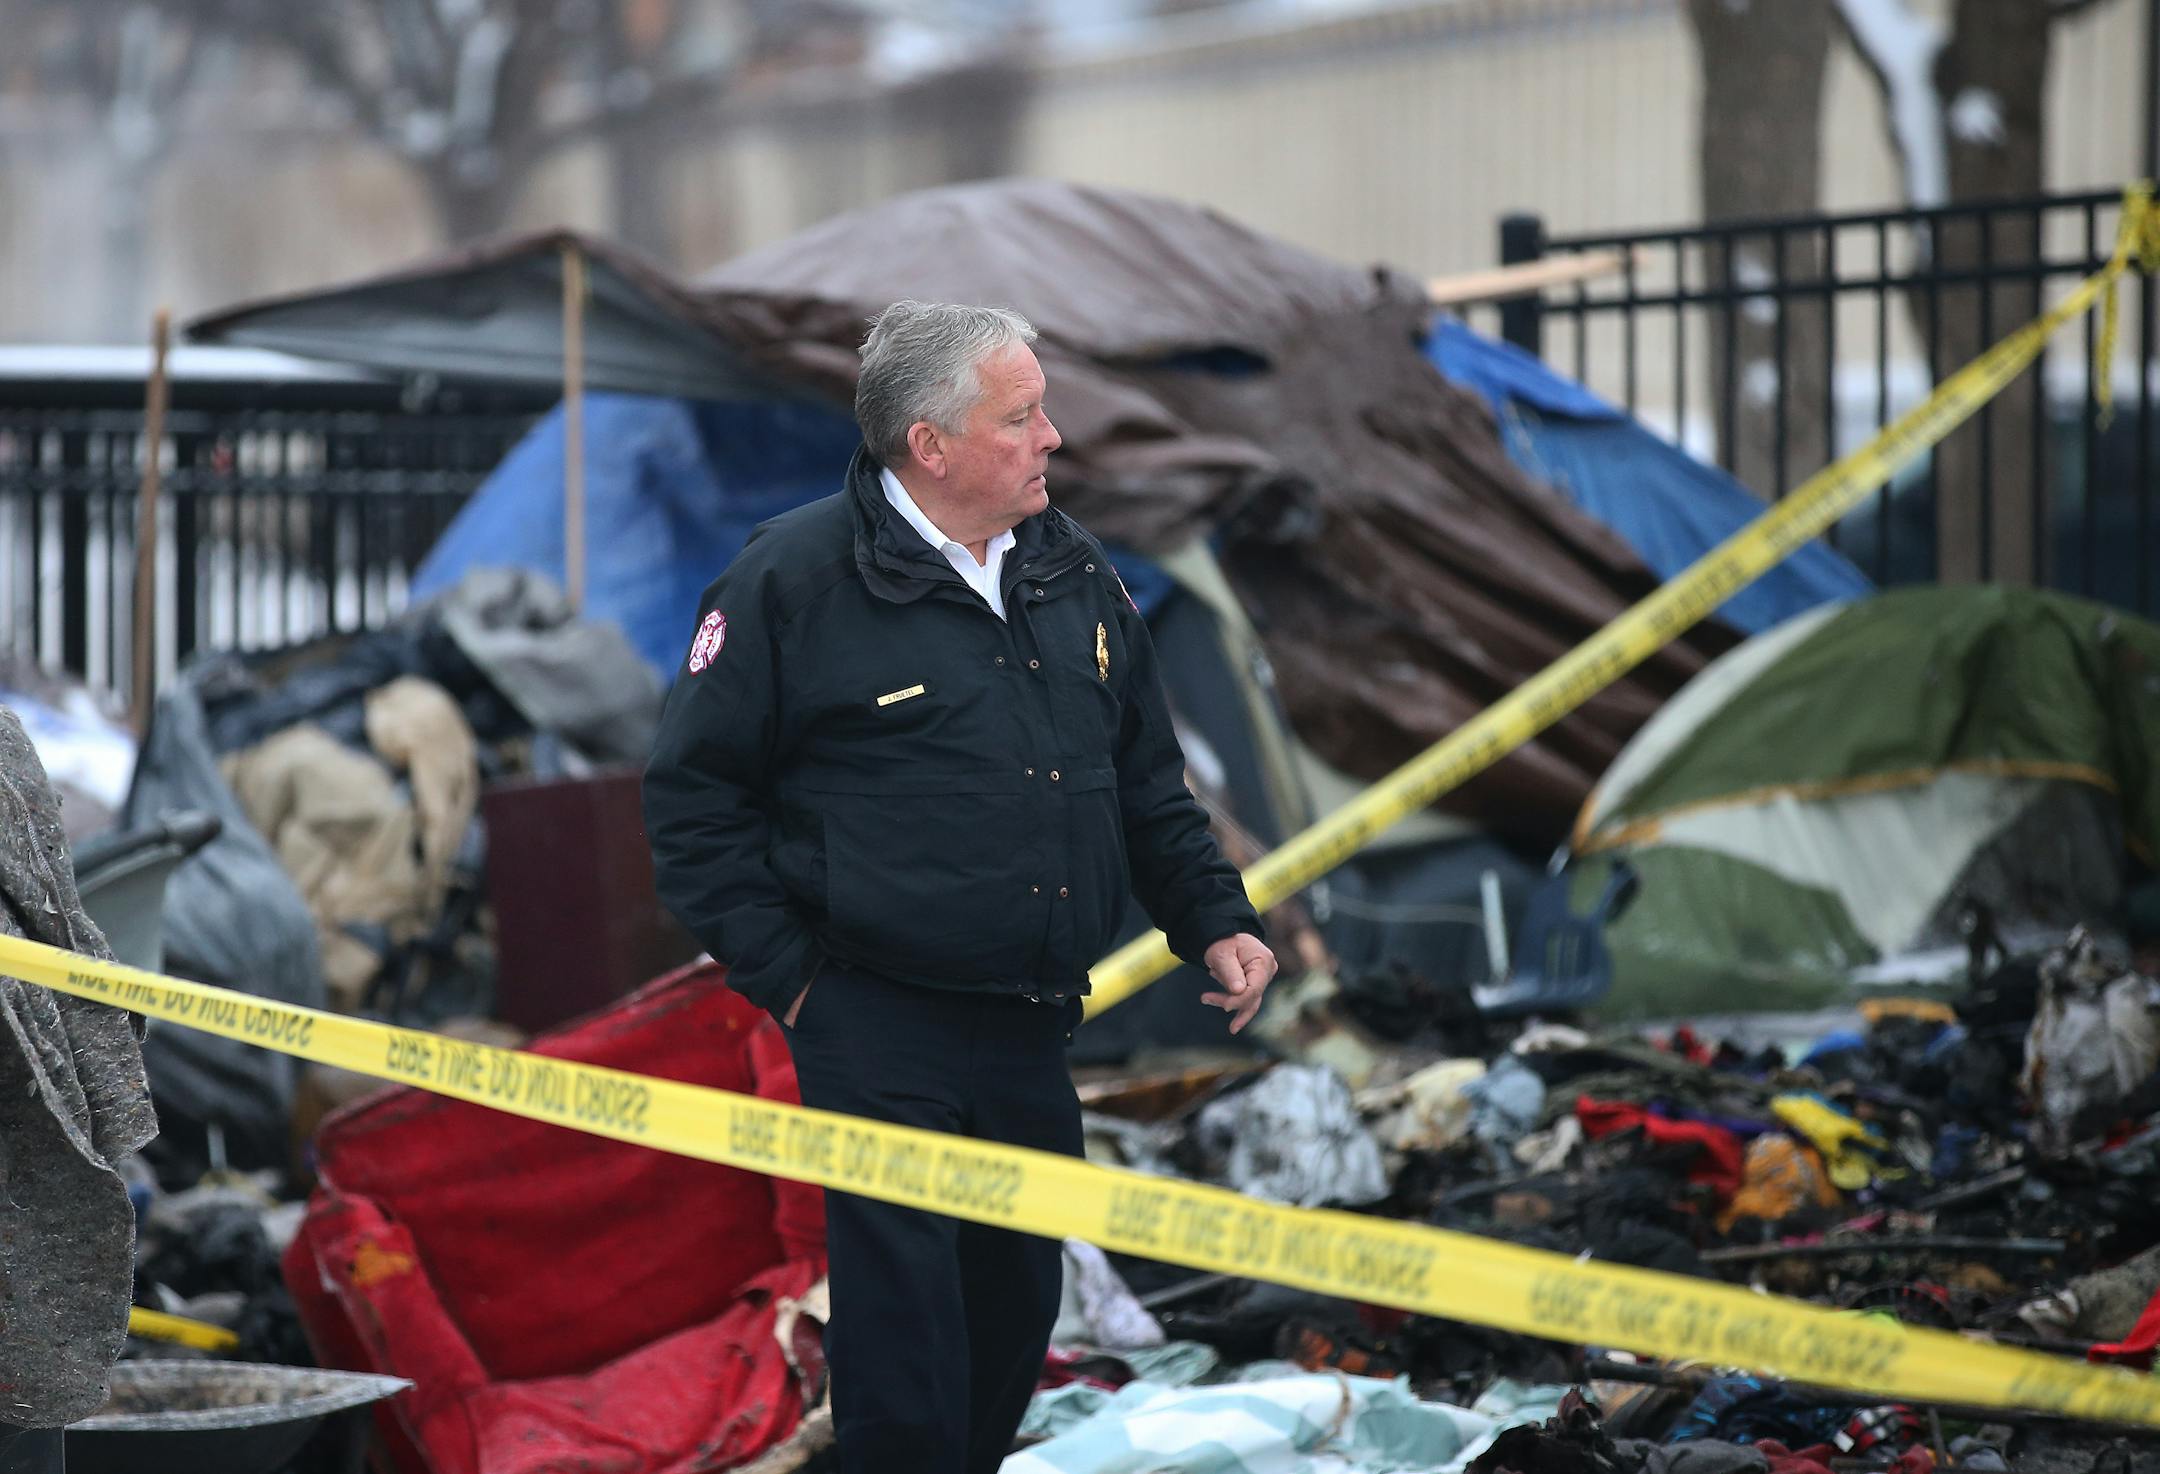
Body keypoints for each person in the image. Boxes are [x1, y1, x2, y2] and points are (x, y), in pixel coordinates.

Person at [644, 300, 1276, 1473]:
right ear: (930, 445)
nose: (1052, 439)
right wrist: (797, 987)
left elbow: (1142, 776)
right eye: (1021, 416)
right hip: (874, 1022)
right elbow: (692, 806)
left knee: (1010, 1314)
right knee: (906, 1339)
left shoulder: (1071, 568)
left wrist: (1214, 919)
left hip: (1031, 1021)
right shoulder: (790, 581)